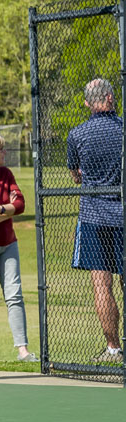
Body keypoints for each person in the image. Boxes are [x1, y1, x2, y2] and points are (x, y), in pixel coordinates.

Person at [67, 78, 124, 363]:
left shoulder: (78, 134)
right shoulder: (123, 129)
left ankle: (113, 347)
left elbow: (76, 175)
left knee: (102, 285)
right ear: (111, 98)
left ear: (88, 103)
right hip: (122, 212)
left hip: (93, 216)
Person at [0, 132, 37, 363]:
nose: (5, 152)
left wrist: (2, 209)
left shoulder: (6, 173)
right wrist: (5, 209)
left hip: (9, 243)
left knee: (14, 296)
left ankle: (23, 350)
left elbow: (19, 204)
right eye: (0, 149)